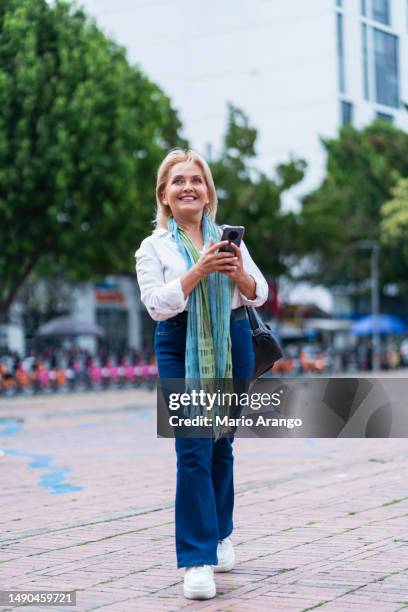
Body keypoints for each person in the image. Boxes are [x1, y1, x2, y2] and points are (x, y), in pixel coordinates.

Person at [135, 149, 268, 600]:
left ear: (208, 193)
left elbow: (260, 293)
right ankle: (196, 559)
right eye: (178, 182)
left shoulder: (230, 241)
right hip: (178, 343)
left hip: (234, 342)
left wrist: (240, 275)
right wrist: (198, 271)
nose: (188, 186)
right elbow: (156, 305)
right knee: (192, 448)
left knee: (221, 445)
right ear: (164, 196)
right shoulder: (153, 247)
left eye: (197, 179)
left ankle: (221, 532)